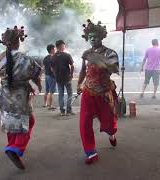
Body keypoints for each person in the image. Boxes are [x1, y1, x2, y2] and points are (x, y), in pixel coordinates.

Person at [0, 26, 42, 170]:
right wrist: (38, 85)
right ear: (18, 42)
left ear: (5, 42)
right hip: (21, 96)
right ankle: (15, 148)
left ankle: (11, 145)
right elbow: (36, 74)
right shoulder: (26, 58)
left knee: (10, 123)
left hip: (5, 96)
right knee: (29, 121)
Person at [77, 20, 119, 165]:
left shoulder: (110, 53)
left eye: (95, 36)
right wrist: (79, 83)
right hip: (88, 92)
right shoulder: (86, 53)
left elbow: (114, 68)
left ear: (101, 37)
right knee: (84, 123)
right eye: (90, 36)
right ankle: (91, 152)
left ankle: (112, 135)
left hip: (104, 93)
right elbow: (83, 70)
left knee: (108, 123)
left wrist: (102, 62)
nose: (93, 39)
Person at [51, 40, 74, 116]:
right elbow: (72, 66)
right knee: (70, 94)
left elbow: (52, 68)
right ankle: (69, 110)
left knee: (60, 94)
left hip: (58, 78)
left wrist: (55, 75)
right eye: (64, 45)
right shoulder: (67, 55)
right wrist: (71, 74)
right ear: (61, 46)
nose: (64, 46)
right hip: (67, 77)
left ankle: (62, 111)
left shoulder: (53, 57)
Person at [43, 44, 57, 110]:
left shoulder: (45, 57)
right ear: (51, 50)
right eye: (54, 49)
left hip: (46, 75)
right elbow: (53, 68)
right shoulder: (54, 58)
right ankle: (50, 105)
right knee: (51, 92)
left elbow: (43, 67)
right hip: (52, 76)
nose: (55, 50)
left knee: (46, 91)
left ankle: (45, 104)